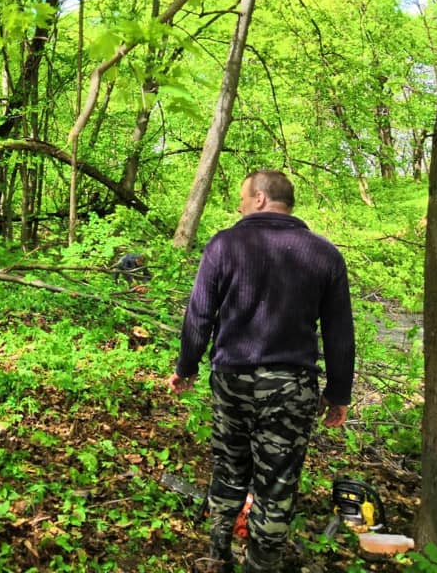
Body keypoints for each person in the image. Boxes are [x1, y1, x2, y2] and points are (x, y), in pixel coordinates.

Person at [167, 170, 355, 573]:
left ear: (260, 198)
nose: (238, 205)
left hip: (232, 379)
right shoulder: (324, 254)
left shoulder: (224, 245)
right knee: (277, 486)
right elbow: (339, 333)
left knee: (230, 471)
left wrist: (187, 366)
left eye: (241, 197)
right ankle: (260, 566)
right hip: (291, 388)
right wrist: (339, 393)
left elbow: (199, 314)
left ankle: (217, 557)